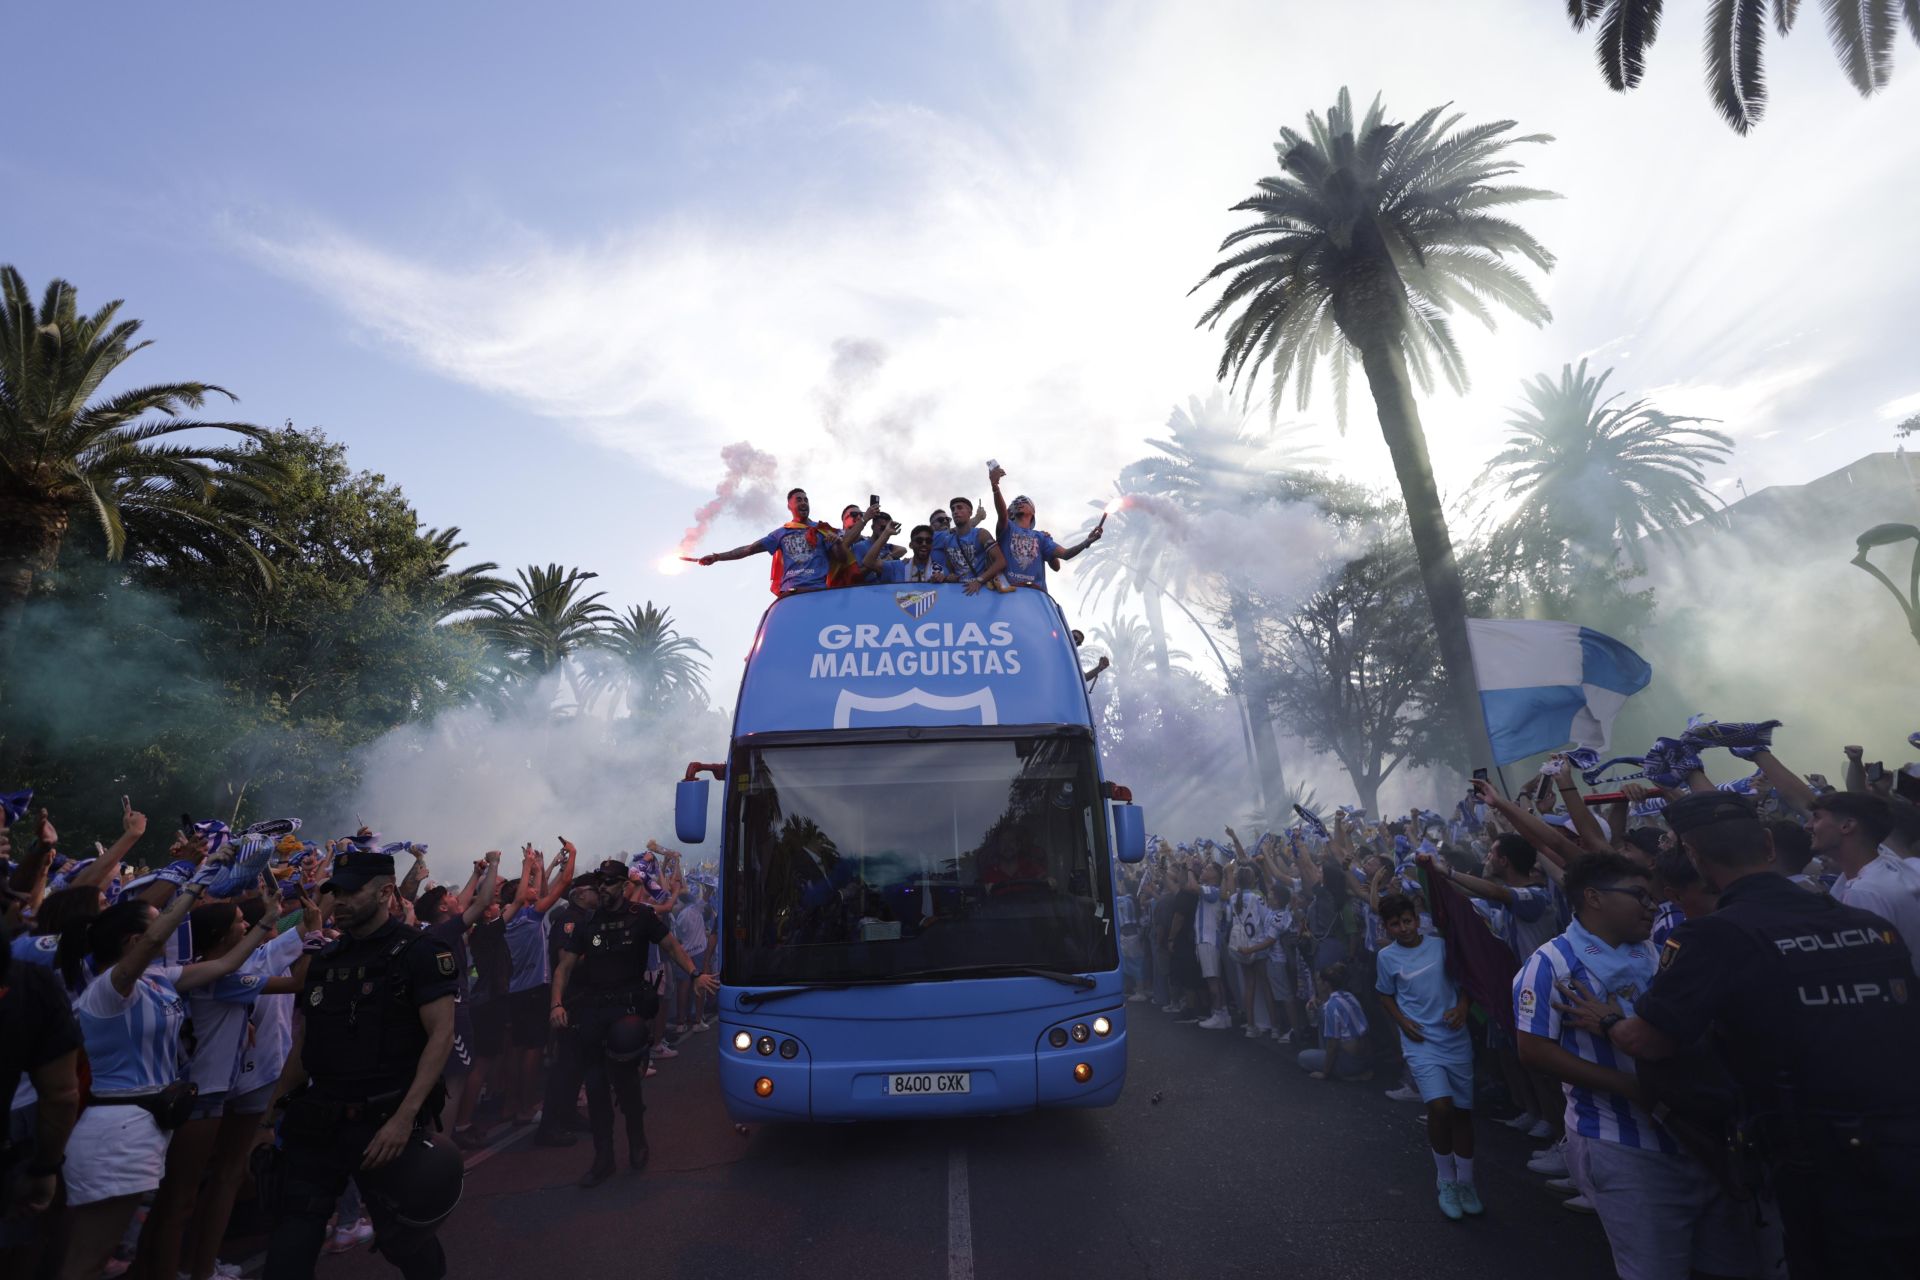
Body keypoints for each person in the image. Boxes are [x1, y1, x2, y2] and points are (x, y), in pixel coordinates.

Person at [1558, 791, 1920, 1278]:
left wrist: (1605, 1019)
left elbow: (1648, 1041)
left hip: (1819, 1158)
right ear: (1768, 845)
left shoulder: (1712, 938)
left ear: (1693, 858)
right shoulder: (1869, 925)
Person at [1518, 851, 1758, 1277]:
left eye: (1653, 898)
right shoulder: (1550, 964)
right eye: (1639, 897)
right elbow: (1533, 1050)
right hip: (1622, 1142)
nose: (1652, 907)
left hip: (1698, 1135)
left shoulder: (1659, 951)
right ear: (1594, 898)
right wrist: (1630, 1087)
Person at [58, 858, 275, 1280]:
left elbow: (224, 966)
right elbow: (159, 932)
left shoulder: (157, 980)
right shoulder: (107, 990)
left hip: (144, 1129)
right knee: (88, 1262)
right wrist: (197, 883)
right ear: (135, 940)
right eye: (160, 922)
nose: (172, 927)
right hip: (117, 1132)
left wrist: (268, 919)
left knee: (110, 1256)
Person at [262, 846, 460, 1280]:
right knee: (289, 1252)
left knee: (403, 1242)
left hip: (386, 1123)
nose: (341, 901)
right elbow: (306, 1043)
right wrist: (272, 1111)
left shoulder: (420, 953)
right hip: (319, 1121)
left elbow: (440, 1036)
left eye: (351, 892)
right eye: (336, 891)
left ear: (386, 891)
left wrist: (404, 1119)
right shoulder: (325, 958)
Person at [548, 872, 717, 1187]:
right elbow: (564, 967)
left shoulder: (641, 916)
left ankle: (637, 1141)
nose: (603, 890)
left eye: (608, 884)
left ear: (623, 887)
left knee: (626, 1084)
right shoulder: (586, 921)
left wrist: (695, 974)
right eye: (599, 885)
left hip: (626, 1009)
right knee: (596, 1086)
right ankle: (603, 1159)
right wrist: (556, 1003)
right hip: (593, 1011)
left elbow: (670, 945)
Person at [1373, 892, 1480, 1220]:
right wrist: (1403, 1022)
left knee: (1462, 1113)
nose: (1403, 928)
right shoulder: (1387, 957)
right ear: (1387, 927)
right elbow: (1384, 994)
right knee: (1439, 1105)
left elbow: (1468, 982)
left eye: (1407, 921)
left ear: (1417, 919)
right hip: (1420, 1041)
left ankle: (1466, 1183)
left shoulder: (1441, 945)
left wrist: (1463, 1007)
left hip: (1454, 1037)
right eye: (1395, 924)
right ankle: (1445, 1180)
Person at [0, 883, 82, 1280]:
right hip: (20, 1113)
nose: (24, 907)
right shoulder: (31, 975)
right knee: (21, 1235)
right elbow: (62, 1094)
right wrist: (46, 1166)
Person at [1808, 790, 1920, 963]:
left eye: (1816, 817)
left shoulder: (1865, 893)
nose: (1807, 825)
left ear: (1847, 826)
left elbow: (1872, 965)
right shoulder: (1896, 866)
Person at [696, 488, 849, 595]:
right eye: (799, 500)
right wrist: (717, 557)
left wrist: (837, 543)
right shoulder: (780, 533)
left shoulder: (822, 529)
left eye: (806, 500)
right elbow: (749, 549)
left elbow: (842, 558)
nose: (804, 503)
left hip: (818, 591)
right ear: (789, 506)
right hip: (791, 593)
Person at [985, 466, 1102, 592]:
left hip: (1035, 595)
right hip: (1008, 592)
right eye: (1015, 503)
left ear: (1033, 511)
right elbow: (1001, 513)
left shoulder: (1041, 537)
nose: (1019, 503)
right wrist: (995, 486)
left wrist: (1087, 542)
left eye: (1024, 501)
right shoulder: (1007, 528)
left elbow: (1065, 555)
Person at [1296, 962, 1369, 1080]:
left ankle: (1347, 1075)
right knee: (1320, 1012)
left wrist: (1325, 1073)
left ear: (1326, 984)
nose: (1317, 984)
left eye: (1319, 981)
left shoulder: (1331, 1007)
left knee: (1302, 1058)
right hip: (1364, 1057)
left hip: (1349, 1062)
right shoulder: (1349, 996)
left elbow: (1332, 1045)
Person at [934, 496, 1007, 596]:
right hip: (958, 591)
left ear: (970, 513)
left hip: (981, 590)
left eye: (959, 508)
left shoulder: (981, 534)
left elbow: (1001, 561)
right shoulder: (947, 541)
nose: (955, 511)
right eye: (953, 509)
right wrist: (950, 576)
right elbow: (951, 569)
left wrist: (979, 580)